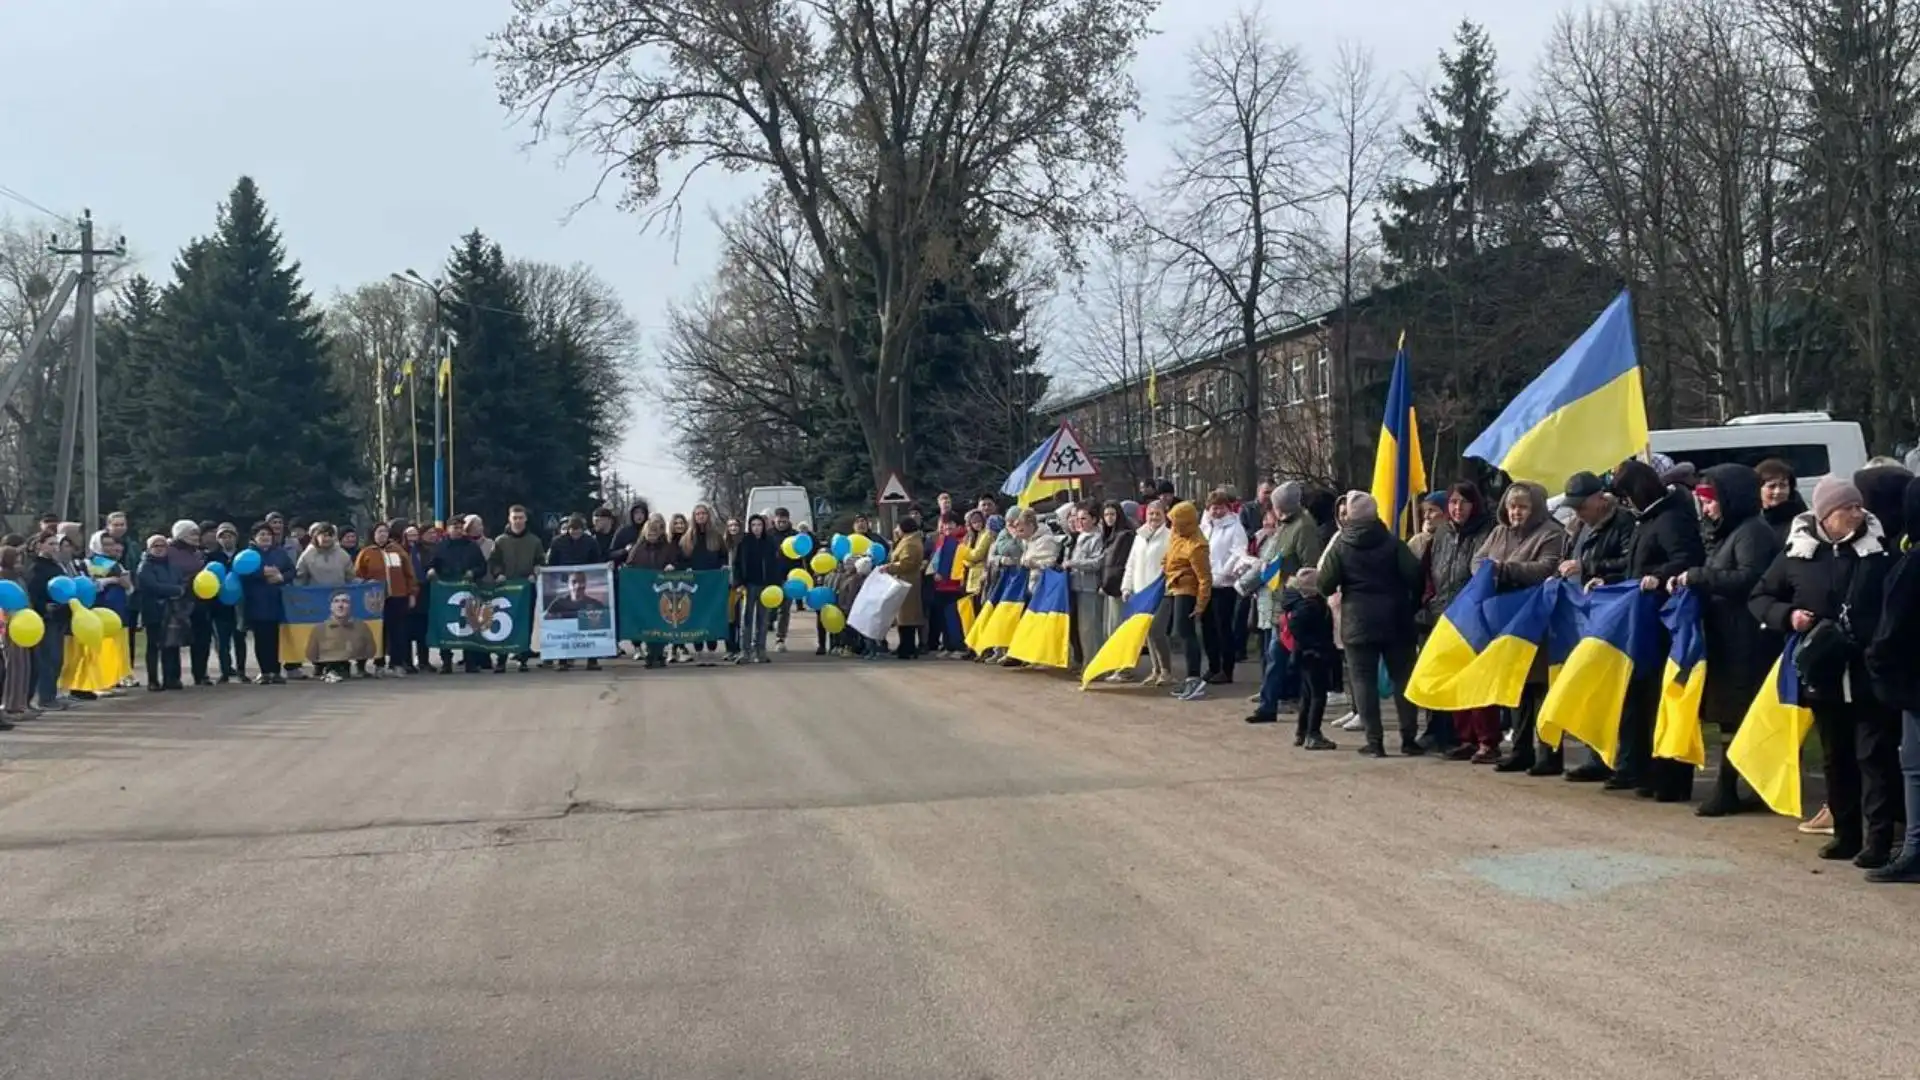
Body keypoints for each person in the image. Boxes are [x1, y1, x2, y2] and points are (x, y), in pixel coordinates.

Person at [1752, 474, 1900, 866]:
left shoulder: (1879, 552)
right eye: (1847, 507)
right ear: (1826, 515)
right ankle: (1846, 833)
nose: (1857, 512)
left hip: (1869, 670)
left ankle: (1879, 840)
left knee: (1874, 756)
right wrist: (1789, 616)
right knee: (1836, 756)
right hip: (1824, 672)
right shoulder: (1797, 554)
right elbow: (1761, 595)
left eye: (1858, 506)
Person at [1576, 460, 1704, 798]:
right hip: (1642, 618)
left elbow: (1687, 558)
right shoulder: (1646, 520)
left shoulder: (1672, 519)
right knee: (1640, 698)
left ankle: (1668, 776)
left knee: (1659, 697)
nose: (1624, 504)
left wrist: (1659, 577)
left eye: (1626, 496)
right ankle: (1643, 768)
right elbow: (1635, 568)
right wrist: (1612, 580)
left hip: (1664, 619)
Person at [1672, 464, 1783, 817]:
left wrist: (1701, 576)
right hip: (1726, 634)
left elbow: (1750, 578)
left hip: (1747, 638)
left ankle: (1730, 786)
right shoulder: (1728, 532)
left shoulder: (1753, 533)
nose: (1706, 510)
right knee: (1727, 715)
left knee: (1739, 712)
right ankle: (1733, 784)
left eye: (1710, 502)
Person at [1317, 492, 1424, 758]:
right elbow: (1415, 576)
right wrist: (1409, 604)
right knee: (1403, 679)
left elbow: (1325, 584)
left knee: (1363, 681)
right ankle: (1408, 738)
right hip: (1396, 618)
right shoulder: (1393, 543)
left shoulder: (1340, 546)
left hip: (1357, 620)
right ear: (1375, 515)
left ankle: (1374, 741)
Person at [1470, 482, 1567, 770]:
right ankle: (1521, 750)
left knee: (1544, 689)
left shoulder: (1552, 533)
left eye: (1522, 507)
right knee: (1519, 688)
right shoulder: (1500, 532)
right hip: (1509, 620)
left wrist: (1504, 568)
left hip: (1541, 621)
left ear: (1535, 508)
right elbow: (1477, 560)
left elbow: (1546, 567)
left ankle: (1549, 754)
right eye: (1512, 506)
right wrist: (1488, 570)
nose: (1516, 512)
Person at [1864, 474, 1920, 882]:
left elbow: (1892, 627)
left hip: (1913, 682)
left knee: (1915, 767)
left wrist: (1878, 663)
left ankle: (1915, 850)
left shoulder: (1911, 562)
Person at [1416, 482, 1495, 749]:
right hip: (1444, 613)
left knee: (1475, 679)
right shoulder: (1442, 534)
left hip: (1473, 614)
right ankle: (1463, 737)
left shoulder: (1487, 531)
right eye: (1453, 502)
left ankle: (1485, 738)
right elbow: (1429, 571)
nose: (1457, 508)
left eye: (1463, 502)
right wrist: (1428, 599)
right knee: (1452, 677)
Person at [1249, 482, 1325, 721]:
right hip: (1278, 599)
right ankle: (1268, 704)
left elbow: (1309, 568)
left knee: (1287, 656)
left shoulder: (1304, 527)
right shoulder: (1285, 526)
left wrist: (1295, 589)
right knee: (1275, 656)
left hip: (1295, 603)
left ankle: (1285, 706)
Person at [1275, 568, 1337, 748]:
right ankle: (1313, 733)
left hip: (1304, 655)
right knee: (1318, 696)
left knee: (1307, 695)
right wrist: (1315, 645)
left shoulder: (1301, 604)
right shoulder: (1312, 606)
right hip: (1314, 655)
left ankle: (1302, 732)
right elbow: (1298, 627)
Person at [1161, 501, 1213, 701]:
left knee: (1185, 632)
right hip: (1173, 586)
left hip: (1188, 590)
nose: (1172, 526)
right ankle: (1190, 677)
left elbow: (1205, 578)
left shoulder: (1197, 546)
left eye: (1176, 522)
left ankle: (1194, 678)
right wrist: (1165, 564)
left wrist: (1201, 604)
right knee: (1176, 632)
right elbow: (1170, 554)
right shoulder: (1177, 534)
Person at [426, 516, 491, 674]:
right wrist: (432, 570)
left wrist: (473, 572)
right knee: (445, 624)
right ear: (448, 529)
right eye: (455, 527)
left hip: (467, 590)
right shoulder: (440, 547)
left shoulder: (472, 546)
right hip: (445, 592)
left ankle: (470, 661)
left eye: (461, 527)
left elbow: (482, 566)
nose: (458, 530)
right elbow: (432, 564)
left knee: (469, 624)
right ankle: (446, 661)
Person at [355, 522, 417, 679]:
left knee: (398, 632)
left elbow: (409, 575)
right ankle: (379, 664)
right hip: (375, 600)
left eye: (385, 532)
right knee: (378, 632)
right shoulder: (366, 553)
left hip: (398, 597)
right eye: (379, 532)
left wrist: (412, 594)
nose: (382, 535)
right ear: (373, 535)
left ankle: (397, 664)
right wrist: (364, 584)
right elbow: (357, 575)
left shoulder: (398, 551)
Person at [1198, 491, 1249, 684]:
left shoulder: (1235, 527)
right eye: (1213, 507)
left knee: (1223, 627)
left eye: (1221, 507)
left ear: (1227, 508)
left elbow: (1238, 553)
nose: (1217, 511)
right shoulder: (1205, 526)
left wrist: (1223, 572)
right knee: (1207, 626)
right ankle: (1213, 666)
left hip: (1223, 584)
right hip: (1205, 583)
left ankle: (1226, 669)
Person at [1122, 501, 1173, 686]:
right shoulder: (1140, 536)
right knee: (1148, 632)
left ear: (1164, 515)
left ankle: (1166, 670)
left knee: (1157, 630)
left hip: (1161, 591)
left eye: (1157, 514)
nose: (1154, 517)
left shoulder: (1170, 537)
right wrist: (1127, 587)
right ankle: (1155, 670)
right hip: (1141, 591)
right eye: (1151, 514)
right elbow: (1131, 563)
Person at [488, 506, 546, 672]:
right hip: (505, 588)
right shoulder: (500, 541)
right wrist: (498, 574)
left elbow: (541, 560)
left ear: (525, 519)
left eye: (521, 518)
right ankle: (501, 659)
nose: (518, 521)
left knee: (525, 622)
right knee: (504, 622)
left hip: (526, 589)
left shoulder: (534, 541)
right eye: (515, 518)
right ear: (509, 519)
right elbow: (493, 561)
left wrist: (536, 572)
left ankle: (523, 658)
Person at [240, 522, 297, 684]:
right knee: (261, 638)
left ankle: (276, 671)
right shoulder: (248, 554)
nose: (265, 537)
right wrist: (261, 573)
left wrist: (282, 578)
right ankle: (265, 671)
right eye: (261, 534)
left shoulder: (279, 553)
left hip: (277, 601)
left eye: (268, 534)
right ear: (254, 538)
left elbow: (292, 571)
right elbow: (241, 572)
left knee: (276, 639)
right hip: (256, 601)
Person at [135, 533, 188, 691]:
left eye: (162, 545)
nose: (159, 549)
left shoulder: (173, 566)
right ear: (149, 548)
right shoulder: (145, 566)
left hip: (172, 611)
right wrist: (175, 590)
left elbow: (181, 583)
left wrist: (177, 590)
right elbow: (152, 586)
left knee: (172, 645)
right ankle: (153, 680)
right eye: (155, 546)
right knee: (154, 646)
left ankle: (171, 678)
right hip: (153, 610)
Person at [624, 514, 678, 668]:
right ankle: (649, 653)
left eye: (655, 533)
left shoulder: (667, 547)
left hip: (662, 591)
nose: (652, 536)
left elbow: (674, 561)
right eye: (649, 533)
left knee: (660, 623)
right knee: (647, 624)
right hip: (644, 592)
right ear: (645, 533)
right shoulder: (638, 548)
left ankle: (659, 653)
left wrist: (671, 566)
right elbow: (630, 564)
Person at [679, 505, 730, 665]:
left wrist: (723, 566)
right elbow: (682, 558)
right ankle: (699, 651)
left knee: (712, 615)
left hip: (713, 584)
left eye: (703, 514)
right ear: (694, 517)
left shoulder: (716, 536)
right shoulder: (687, 537)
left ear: (708, 516)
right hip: (694, 583)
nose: (701, 516)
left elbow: (723, 555)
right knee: (697, 616)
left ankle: (711, 650)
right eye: (698, 514)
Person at [732, 514, 781, 664]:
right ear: (749, 527)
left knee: (763, 619)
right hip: (749, 585)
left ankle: (760, 650)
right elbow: (737, 564)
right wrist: (739, 583)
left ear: (763, 526)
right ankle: (744, 651)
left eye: (759, 525)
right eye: (753, 525)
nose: (756, 528)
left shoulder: (770, 542)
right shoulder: (744, 543)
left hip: (766, 586)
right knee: (747, 618)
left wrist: (775, 583)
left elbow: (775, 564)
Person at [1064, 504, 1108, 672]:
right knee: (1082, 629)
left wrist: (1073, 563)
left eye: (1084, 518)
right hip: (1078, 587)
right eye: (1078, 519)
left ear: (1094, 519)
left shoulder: (1097, 538)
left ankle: (1094, 666)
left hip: (1090, 588)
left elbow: (1097, 562)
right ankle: (1086, 663)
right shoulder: (1080, 536)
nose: (1080, 522)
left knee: (1091, 629)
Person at [926, 512, 973, 658]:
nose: (947, 526)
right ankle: (948, 646)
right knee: (944, 618)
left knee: (954, 617)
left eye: (950, 523)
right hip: (940, 585)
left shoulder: (961, 540)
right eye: (944, 523)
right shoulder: (942, 540)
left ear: (957, 525)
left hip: (954, 585)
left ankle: (959, 645)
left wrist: (944, 574)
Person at [205, 523, 247, 683]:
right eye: (222, 536)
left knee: (239, 639)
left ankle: (242, 670)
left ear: (235, 538)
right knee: (222, 641)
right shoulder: (212, 557)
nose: (226, 539)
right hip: (219, 605)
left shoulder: (243, 555)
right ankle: (225, 670)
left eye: (229, 536)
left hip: (240, 604)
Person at [306, 591, 378, 683]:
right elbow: (311, 654)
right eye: (336, 601)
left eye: (345, 601)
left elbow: (370, 651)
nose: (340, 605)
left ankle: (360, 667)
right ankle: (322, 667)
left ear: (351, 606)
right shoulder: (319, 629)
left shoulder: (362, 627)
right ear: (331, 607)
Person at [882, 513, 926, 659]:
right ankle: (905, 646)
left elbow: (907, 563)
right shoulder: (907, 540)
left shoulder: (910, 543)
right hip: (904, 581)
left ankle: (908, 647)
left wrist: (890, 567)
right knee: (903, 617)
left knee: (907, 618)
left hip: (907, 582)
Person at [1756, 458, 1807, 544]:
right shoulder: (1751, 520)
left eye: (1783, 485)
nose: (1778, 491)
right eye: (1771, 486)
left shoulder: (1801, 521)